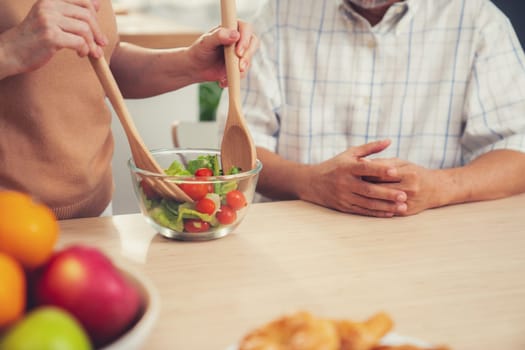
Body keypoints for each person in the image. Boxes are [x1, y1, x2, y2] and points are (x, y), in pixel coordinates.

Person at [216, 0, 525, 218]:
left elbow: (517, 152)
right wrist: (309, 182)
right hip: (296, 245)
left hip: (434, 248)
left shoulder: (479, 21)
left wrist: (441, 187)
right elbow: (237, 153)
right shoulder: (278, 15)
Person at [0, 0, 258, 219]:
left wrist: (189, 64)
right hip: (11, 221)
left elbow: (99, 59)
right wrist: (9, 50)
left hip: (95, 213)